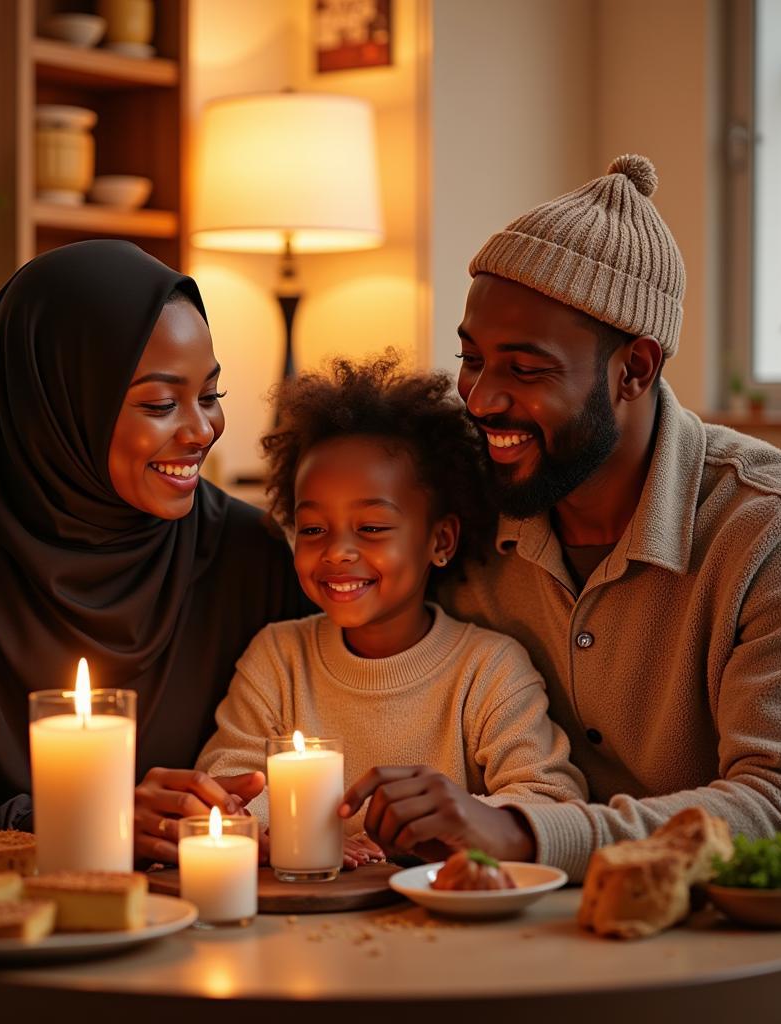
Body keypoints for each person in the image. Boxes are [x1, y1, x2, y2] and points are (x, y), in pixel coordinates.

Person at [344, 154, 781, 884]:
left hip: (757, 937)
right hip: (534, 913)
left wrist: (522, 830)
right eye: (470, 358)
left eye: (525, 370)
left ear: (635, 370)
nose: (481, 399)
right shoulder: (463, 500)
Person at [0, 240, 310, 865]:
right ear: (54, 403)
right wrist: (77, 823)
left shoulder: (249, 552)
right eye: (162, 403)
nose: (201, 431)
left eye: (211, 396)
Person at [196, 352, 586, 866]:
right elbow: (227, 789)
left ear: (440, 540)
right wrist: (297, 833)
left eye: (372, 528)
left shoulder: (488, 670)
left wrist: (456, 818)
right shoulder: (277, 659)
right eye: (313, 529)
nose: (336, 551)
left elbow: (550, 801)